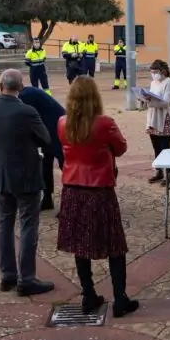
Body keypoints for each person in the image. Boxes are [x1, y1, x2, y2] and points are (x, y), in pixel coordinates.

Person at [57, 76, 139, 318]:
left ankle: (88, 294)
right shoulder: (104, 123)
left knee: (80, 246)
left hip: (72, 189)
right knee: (115, 246)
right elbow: (121, 148)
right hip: (99, 190)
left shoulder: (62, 123)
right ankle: (120, 298)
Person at [0, 69, 54, 297]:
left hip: (0, 175)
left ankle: (7, 275)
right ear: (21, 88)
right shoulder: (27, 111)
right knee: (27, 227)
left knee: (4, 225)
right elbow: (45, 138)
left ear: (1, 86)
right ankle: (26, 279)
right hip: (25, 176)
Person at [18, 86, 66, 211]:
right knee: (45, 165)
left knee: (65, 166)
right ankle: (47, 198)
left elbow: (25, 120)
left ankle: (68, 204)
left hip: (59, 129)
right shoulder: (27, 93)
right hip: (47, 130)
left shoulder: (26, 96)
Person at [144, 60, 170, 185]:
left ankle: (169, 175)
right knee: (156, 146)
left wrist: (150, 101)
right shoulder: (153, 82)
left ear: (163, 71)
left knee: (165, 148)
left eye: (155, 72)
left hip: (164, 118)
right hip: (153, 117)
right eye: (151, 72)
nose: (153, 74)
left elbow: (166, 102)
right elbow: (152, 97)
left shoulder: (168, 82)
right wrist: (145, 99)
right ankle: (158, 171)